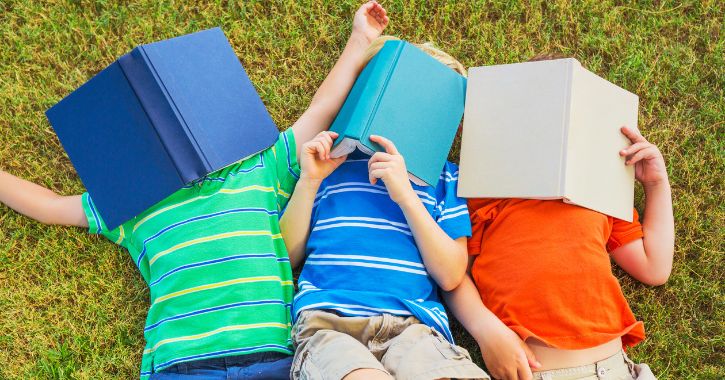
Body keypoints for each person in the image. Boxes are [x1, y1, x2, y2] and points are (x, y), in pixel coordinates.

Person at [0, 2, 389, 379]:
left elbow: (321, 108)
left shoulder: (258, 166)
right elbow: (49, 206)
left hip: (271, 356)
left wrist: (358, 42)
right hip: (181, 364)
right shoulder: (132, 201)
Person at [279, 35, 490, 380]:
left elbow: (451, 274)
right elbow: (285, 256)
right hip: (330, 325)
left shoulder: (445, 179)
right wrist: (309, 182)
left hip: (413, 329)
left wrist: (406, 196)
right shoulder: (329, 165)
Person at [444, 103, 674, 379]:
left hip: (615, 369)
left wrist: (656, 184)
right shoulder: (485, 190)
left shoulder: (597, 191)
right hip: (539, 372)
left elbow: (654, 268)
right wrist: (486, 332)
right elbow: (454, 275)